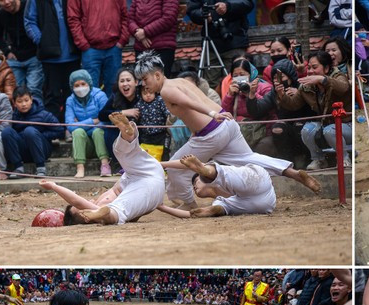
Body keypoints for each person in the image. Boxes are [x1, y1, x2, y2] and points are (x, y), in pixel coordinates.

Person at [134, 51, 320, 209]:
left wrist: (212, 113)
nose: (144, 84)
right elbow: (191, 108)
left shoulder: (166, 90)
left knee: (176, 167)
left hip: (212, 131)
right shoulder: (180, 81)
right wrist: (212, 116)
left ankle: (189, 204)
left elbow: (190, 103)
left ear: (157, 75)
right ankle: (293, 172)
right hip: (226, 125)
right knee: (250, 159)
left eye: (145, 79)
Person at [42, 112, 166, 225]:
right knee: (116, 213)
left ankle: (127, 134)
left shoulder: (102, 202)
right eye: (82, 209)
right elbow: (77, 201)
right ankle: (108, 216)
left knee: (120, 152)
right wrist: (54, 186)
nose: (83, 203)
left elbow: (137, 212)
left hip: (141, 175)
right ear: (86, 217)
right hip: (148, 186)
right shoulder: (99, 206)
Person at [278, 50, 352, 170]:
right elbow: (293, 104)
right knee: (307, 129)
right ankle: (319, 159)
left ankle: (344, 158)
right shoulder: (307, 85)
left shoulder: (339, 76)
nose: (311, 71)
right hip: (326, 124)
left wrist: (322, 80)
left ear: (327, 68)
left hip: (347, 124)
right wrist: (281, 95)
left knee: (330, 131)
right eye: (309, 67)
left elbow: (343, 88)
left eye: (315, 67)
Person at [246, 59, 315, 169]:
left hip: (306, 123)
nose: (277, 80)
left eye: (281, 77)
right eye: (274, 78)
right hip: (286, 125)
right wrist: (252, 95)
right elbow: (258, 110)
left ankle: (306, 158)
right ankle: (287, 162)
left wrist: (300, 94)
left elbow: (314, 106)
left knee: (300, 127)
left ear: (290, 76)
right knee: (277, 128)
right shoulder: (273, 92)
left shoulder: (301, 87)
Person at [24, 0, 81, 121]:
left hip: (73, 54)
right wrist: (42, 41)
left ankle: (70, 128)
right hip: (50, 58)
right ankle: (54, 130)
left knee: (73, 95)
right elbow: (29, 21)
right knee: (51, 96)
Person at [185, 0, 254, 89]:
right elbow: (192, 10)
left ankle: (239, 101)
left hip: (235, 42)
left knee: (239, 82)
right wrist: (203, 15)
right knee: (210, 86)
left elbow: (248, 3)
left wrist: (228, 7)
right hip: (211, 43)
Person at [66, 0, 129, 97]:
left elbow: (125, 14)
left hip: (113, 47)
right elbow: (73, 18)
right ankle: (94, 112)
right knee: (89, 90)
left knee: (115, 89)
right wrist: (83, 44)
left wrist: (122, 40)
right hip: (90, 49)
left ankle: (113, 112)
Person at [2, 85, 63, 178]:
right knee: (7, 132)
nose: (23, 104)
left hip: (42, 149)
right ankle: (18, 167)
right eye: (20, 101)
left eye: (26, 100)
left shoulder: (43, 114)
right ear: (14, 103)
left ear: (31, 100)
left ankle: (41, 168)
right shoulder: (13, 116)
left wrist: (39, 135)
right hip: (24, 149)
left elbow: (60, 131)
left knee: (29, 131)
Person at [0, 0, 44, 101]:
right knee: (16, 92)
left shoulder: (30, 7)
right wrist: (7, 51)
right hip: (15, 58)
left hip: (34, 56)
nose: (7, 2)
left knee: (33, 89)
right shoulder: (0, 14)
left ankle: (37, 115)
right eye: (2, 0)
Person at [222, 58, 274, 153]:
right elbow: (225, 114)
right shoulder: (234, 91)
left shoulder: (265, 87)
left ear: (251, 74)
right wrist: (229, 96)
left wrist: (250, 93)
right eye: (235, 76)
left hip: (262, 132)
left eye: (242, 75)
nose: (239, 78)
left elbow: (265, 107)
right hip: (241, 133)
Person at [66, 68, 111, 178]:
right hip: (85, 145)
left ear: (89, 83)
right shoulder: (70, 100)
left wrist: (80, 123)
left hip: (102, 142)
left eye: (83, 83)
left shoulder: (100, 96)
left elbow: (106, 120)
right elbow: (70, 126)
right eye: (76, 85)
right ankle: (80, 168)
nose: (80, 88)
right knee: (77, 132)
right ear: (72, 87)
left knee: (97, 131)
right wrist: (93, 121)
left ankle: (105, 165)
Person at [128, 0, 179, 78]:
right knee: (142, 85)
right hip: (141, 49)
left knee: (161, 85)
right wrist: (138, 32)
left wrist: (145, 32)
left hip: (162, 49)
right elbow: (130, 19)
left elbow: (169, 18)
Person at [134, 84, 170, 161]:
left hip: (161, 133)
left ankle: (164, 168)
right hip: (146, 135)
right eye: (145, 93)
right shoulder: (139, 104)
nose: (148, 95)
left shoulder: (160, 100)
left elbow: (168, 113)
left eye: (150, 93)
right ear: (140, 94)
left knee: (164, 152)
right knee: (147, 153)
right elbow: (135, 118)